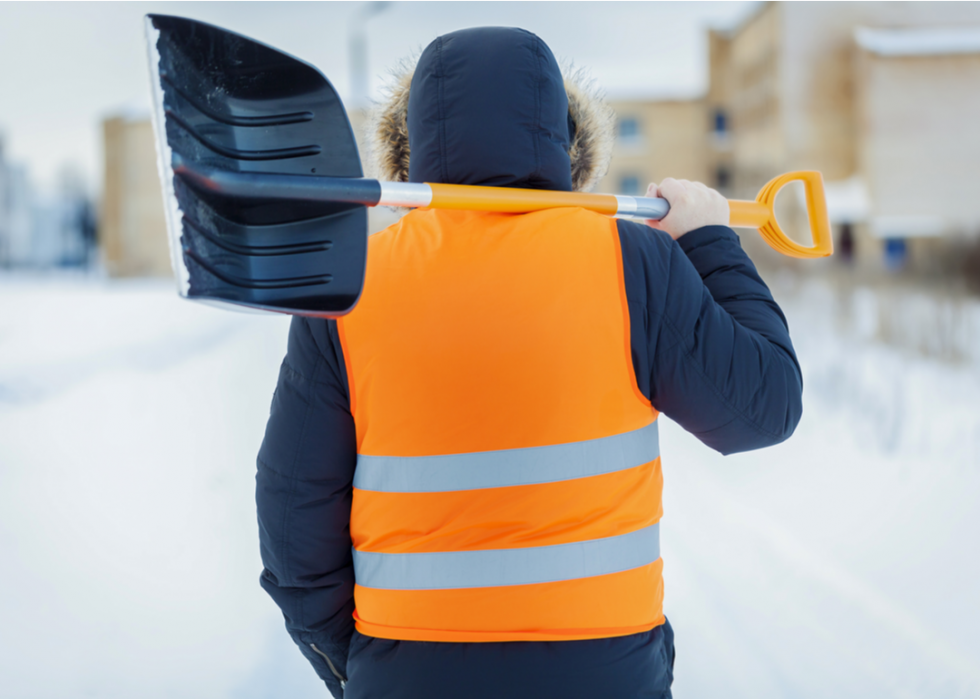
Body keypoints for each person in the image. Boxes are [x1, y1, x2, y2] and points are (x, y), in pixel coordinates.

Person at [256, 27, 802, 699]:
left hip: (411, 672)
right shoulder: (634, 262)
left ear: (408, 147)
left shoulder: (352, 284)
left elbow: (292, 516)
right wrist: (708, 240)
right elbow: (763, 407)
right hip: (604, 674)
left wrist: (362, 665)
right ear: (568, 142)